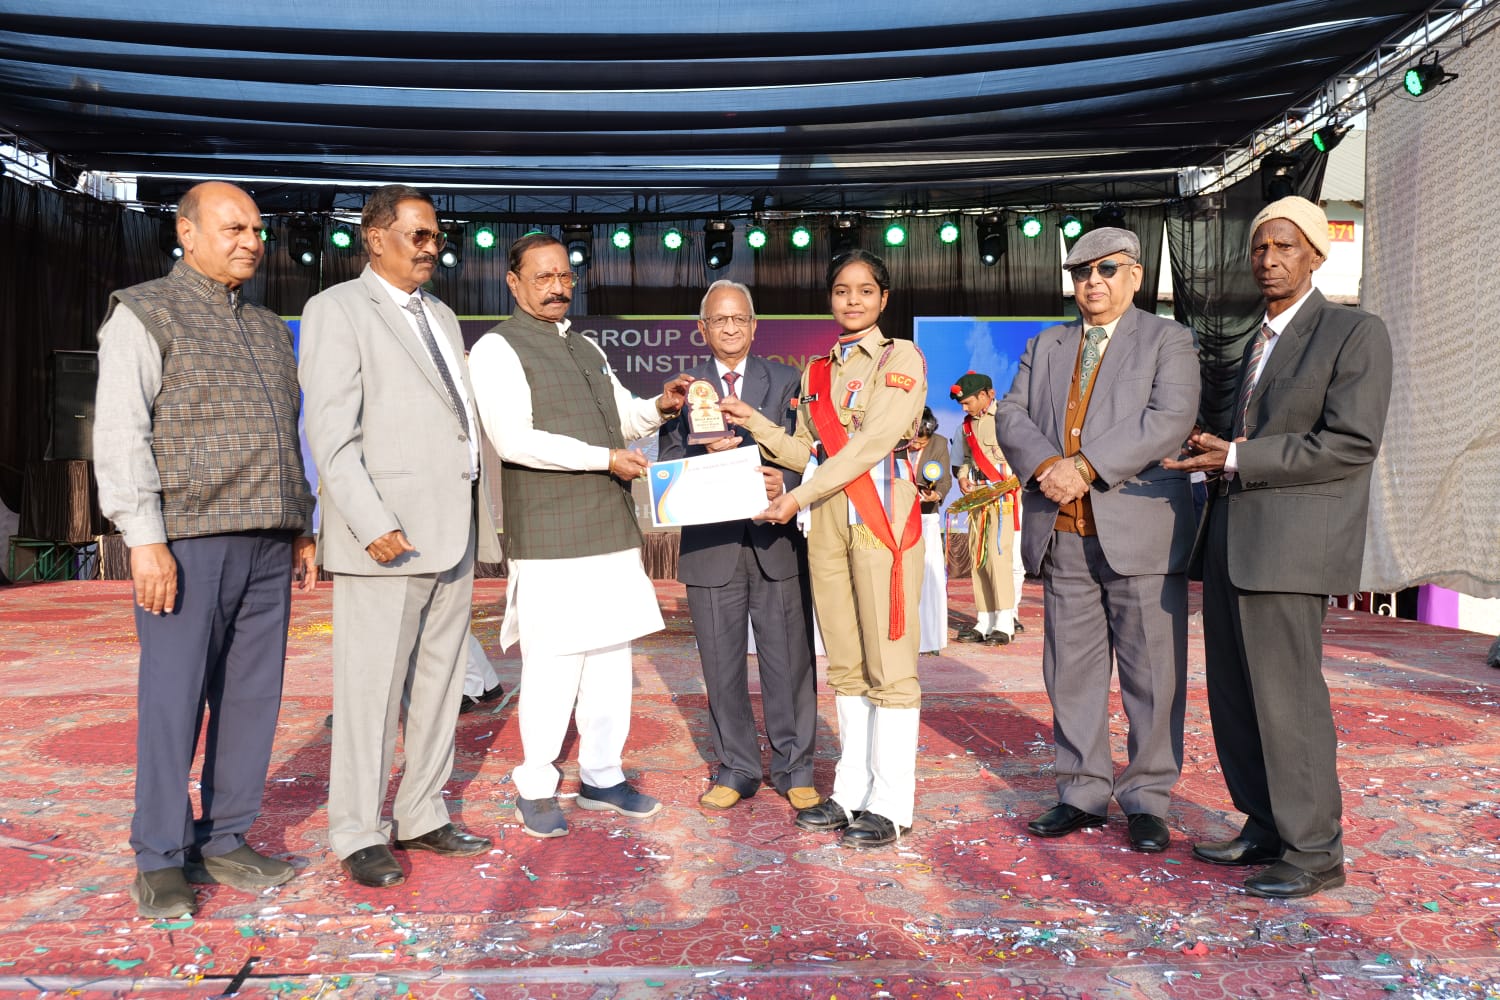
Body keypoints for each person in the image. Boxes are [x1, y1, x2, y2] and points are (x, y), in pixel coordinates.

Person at [94, 180, 317, 917]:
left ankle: (224, 839)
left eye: (257, 229)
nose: (252, 240)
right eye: (234, 228)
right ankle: (159, 856)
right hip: (187, 542)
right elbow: (121, 431)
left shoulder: (267, 326)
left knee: (252, 700)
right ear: (185, 233)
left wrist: (301, 524)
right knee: (174, 700)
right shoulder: (145, 312)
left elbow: (287, 434)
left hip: (267, 541)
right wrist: (144, 539)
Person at [1164, 196, 1393, 899]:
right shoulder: (1254, 340)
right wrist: (1217, 454)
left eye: (1286, 247)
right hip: (1233, 537)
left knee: (1289, 702)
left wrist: (1237, 456)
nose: (1269, 260)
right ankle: (1265, 825)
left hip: (1290, 549)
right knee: (1236, 698)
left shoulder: (1353, 332)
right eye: (1260, 248)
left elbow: (1350, 442)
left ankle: (1316, 850)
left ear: (1317, 255)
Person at [300, 184, 502, 889]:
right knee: (370, 694)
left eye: (437, 236)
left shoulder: (440, 314)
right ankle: (357, 830)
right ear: (375, 237)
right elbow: (331, 432)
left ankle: (421, 812)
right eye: (418, 234)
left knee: (442, 687)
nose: (432, 247)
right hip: (385, 536)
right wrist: (371, 521)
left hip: (451, 529)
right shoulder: (336, 309)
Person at [467, 233, 692, 839]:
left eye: (564, 276)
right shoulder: (497, 348)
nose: (557, 287)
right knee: (554, 663)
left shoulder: (587, 345)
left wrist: (660, 407)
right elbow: (513, 440)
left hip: (609, 524)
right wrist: (604, 459)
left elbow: (623, 418)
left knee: (611, 661)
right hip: (550, 531)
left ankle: (601, 775)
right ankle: (536, 784)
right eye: (542, 277)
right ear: (513, 283)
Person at [993, 226, 1199, 854]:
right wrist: (1048, 468)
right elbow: (1011, 414)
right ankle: (1081, 792)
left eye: (1107, 269)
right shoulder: (1046, 344)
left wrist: (1083, 467)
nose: (1093, 282)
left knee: (1152, 677)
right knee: (1071, 674)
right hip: (1063, 534)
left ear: (1135, 275)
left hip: (1140, 533)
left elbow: (1170, 419)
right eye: (1081, 272)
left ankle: (1147, 798)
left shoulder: (1168, 338)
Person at [721, 249, 927, 849]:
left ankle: (892, 803)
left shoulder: (900, 357)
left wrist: (794, 497)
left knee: (890, 667)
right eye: (841, 291)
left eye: (864, 290)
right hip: (827, 526)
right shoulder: (815, 371)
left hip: (880, 521)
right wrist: (753, 423)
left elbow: (870, 444)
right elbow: (805, 450)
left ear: (883, 298)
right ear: (830, 299)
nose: (852, 300)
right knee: (846, 665)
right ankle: (853, 791)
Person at [658, 279, 819, 812]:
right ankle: (737, 768)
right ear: (702, 328)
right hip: (711, 547)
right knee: (720, 666)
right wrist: (703, 457)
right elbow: (668, 461)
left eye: (738, 319)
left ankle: (795, 767)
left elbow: (808, 454)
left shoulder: (788, 379)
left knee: (789, 663)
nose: (729, 328)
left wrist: (785, 483)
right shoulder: (684, 388)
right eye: (719, 320)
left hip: (776, 542)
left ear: (754, 326)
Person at [951, 373, 1022, 645]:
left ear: (984, 395)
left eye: (967, 402)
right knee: (978, 557)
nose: (964, 407)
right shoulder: (967, 426)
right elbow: (966, 460)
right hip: (977, 499)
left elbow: (1023, 456)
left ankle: (1005, 622)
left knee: (998, 557)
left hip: (1004, 499)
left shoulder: (1007, 417)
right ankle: (985, 619)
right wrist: (962, 478)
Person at [906, 408, 951, 654]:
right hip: (899, 517)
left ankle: (930, 638)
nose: (916, 446)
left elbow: (945, 481)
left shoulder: (939, 444)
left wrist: (936, 494)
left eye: (921, 443)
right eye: (914, 441)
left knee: (929, 576)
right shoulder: (894, 441)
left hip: (926, 516)